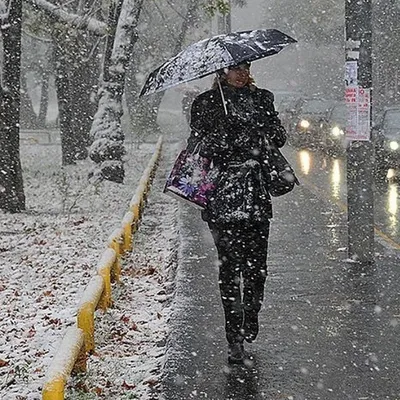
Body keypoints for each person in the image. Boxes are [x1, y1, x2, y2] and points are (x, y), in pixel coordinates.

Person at [186, 61, 287, 364]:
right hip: (222, 196)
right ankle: (234, 337)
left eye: (245, 67)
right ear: (222, 72)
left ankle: (251, 312)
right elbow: (197, 146)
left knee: (256, 268)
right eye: (234, 69)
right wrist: (224, 138)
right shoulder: (206, 103)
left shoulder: (262, 99)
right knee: (230, 270)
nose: (241, 73)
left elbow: (280, 137)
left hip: (255, 194)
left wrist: (261, 134)